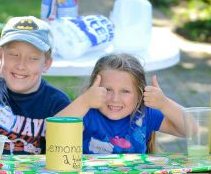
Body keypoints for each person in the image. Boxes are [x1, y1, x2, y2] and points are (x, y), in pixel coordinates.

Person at [0, 16, 70, 154]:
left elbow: (67, 148)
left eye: (33, 58)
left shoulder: (57, 102)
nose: (21, 65)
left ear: (46, 64)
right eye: (14, 54)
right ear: (0, 55)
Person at [57, 53, 186, 154]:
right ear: (94, 89)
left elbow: (190, 129)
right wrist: (84, 102)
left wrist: (164, 104)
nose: (115, 99)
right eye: (107, 90)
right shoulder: (86, 113)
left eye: (125, 91)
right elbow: (52, 135)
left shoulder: (145, 114)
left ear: (140, 94)